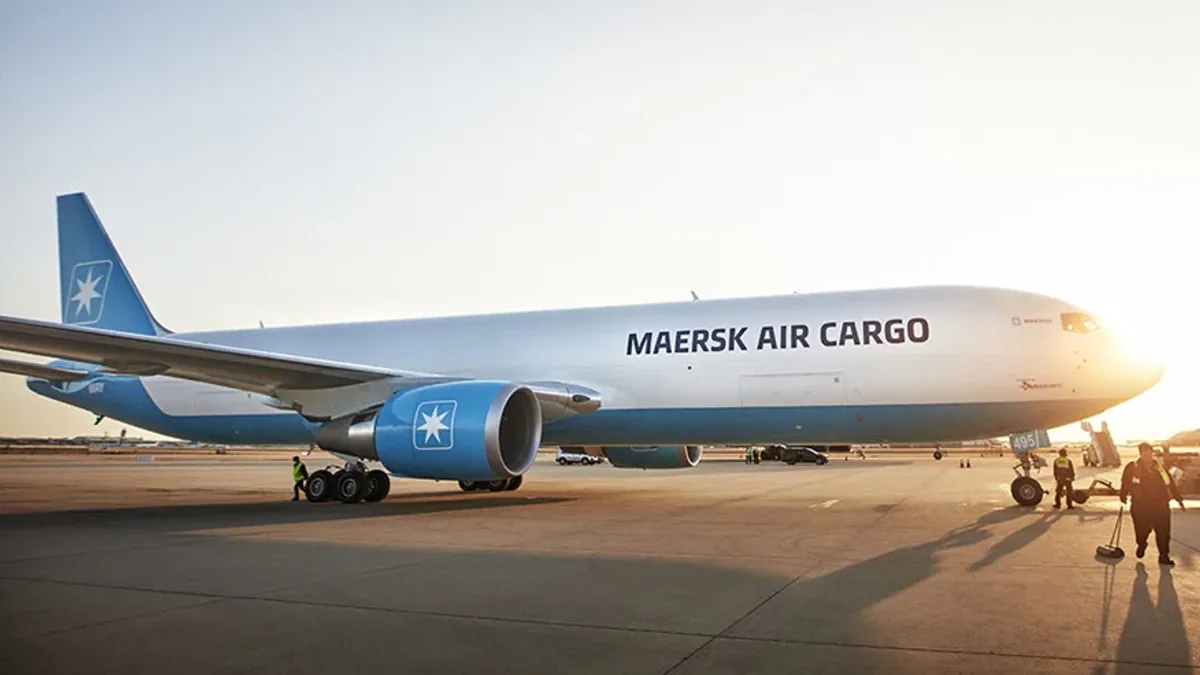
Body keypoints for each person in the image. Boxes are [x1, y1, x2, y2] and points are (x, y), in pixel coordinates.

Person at [1120, 443, 1186, 565]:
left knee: (1164, 532)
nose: (1148, 455)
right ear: (1140, 454)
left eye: (1149, 452)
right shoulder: (1133, 467)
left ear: (1152, 453)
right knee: (1142, 530)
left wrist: (1178, 499)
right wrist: (1123, 495)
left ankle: (1163, 556)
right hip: (1141, 507)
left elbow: (1170, 483)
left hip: (1161, 505)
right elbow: (1125, 481)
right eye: (1145, 453)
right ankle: (1141, 543)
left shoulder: (1160, 468)